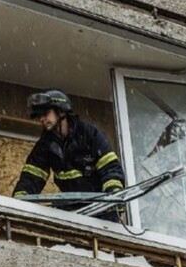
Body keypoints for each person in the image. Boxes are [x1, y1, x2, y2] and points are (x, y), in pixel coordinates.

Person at [12, 89, 125, 222]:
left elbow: (110, 169)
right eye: (39, 116)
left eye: (46, 113)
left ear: (61, 111)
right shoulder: (45, 145)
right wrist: (18, 202)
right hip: (71, 210)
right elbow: (31, 177)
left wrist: (113, 196)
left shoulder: (90, 135)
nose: (42, 119)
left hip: (101, 210)